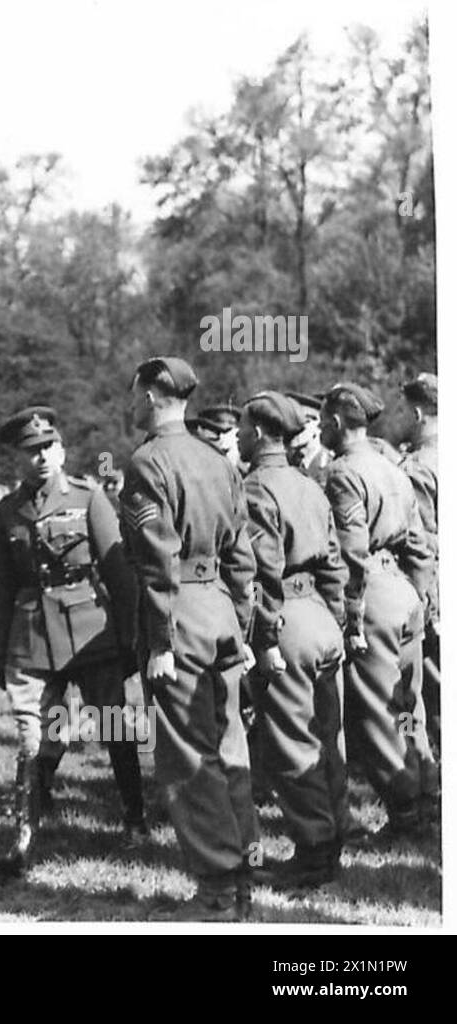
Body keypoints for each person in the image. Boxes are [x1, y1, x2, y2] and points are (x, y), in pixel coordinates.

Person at [120, 356, 258, 921]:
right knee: (229, 748)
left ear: (154, 396)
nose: (132, 404)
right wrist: (242, 627)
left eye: (136, 394)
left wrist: (158, 644)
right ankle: (241, 879)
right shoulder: (217, 460)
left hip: (178, 616)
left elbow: (157, 564)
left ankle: (218, 892)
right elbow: (242, 556)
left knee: (186, 759)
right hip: (221, 610)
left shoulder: (148, 463)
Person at [0, 409, 145, 876]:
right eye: (30, 450)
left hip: (91, 632)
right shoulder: (6, 512)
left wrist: (130, 639)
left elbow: (120, 575)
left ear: (60, 450)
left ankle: (135, 817)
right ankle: (26, 830)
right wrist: (0, 651)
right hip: (35, 636)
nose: (40, 457)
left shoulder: (88, 497)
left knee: (114, 725)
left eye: (47, 448)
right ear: (18, 457)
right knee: (35, 735)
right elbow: (2, 588)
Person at [237, 392, 350, 889]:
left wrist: (264, 638)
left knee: (291, 745)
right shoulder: (309, 485)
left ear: (259, 433)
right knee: (328, 737)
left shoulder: (256, 488)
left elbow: (261, 574)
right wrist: (340, 621)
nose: (238, 436)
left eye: (242, 428)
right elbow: (335, 562)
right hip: (322, 619)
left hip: (286, 623)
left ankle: (313, 853)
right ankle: (332, 844)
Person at [320, 383, 437, 840]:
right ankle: (427, 794)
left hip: (371, 594)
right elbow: (418, 541)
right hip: (404, 591)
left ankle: (406, 813)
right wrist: (421, 596)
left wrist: (350, 616)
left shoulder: (343, 474)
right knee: (410, 704)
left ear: (333, 424)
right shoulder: (391, 468)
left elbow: (350, 552)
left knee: (375, 715)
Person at [400, 373, 439, 758]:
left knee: (420, 693)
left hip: (432, 591)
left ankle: (425, 771)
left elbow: (419, 541)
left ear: (416, 413)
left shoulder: (418, 466)